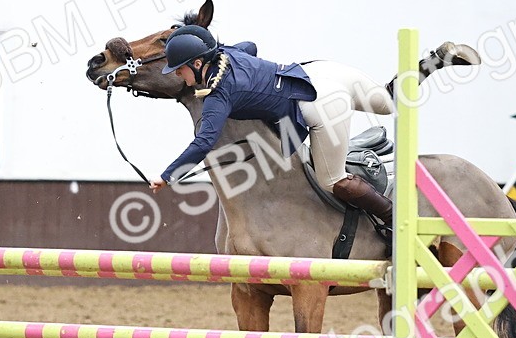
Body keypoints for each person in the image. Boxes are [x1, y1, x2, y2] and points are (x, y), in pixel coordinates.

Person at [148, 24, 395, 229]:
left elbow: (203, 142)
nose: (179, 75)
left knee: (332, 180)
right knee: (391, 102)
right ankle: (428, 64)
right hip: (319, 71)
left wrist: (167, 176)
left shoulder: (218, 95)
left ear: (199, 64)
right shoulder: (227, 54)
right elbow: (250, 46)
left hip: (319, 103)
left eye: (179, 69)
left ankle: (393, 222)